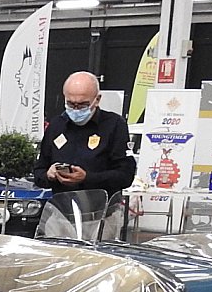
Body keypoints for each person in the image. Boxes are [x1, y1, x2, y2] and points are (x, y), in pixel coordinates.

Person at [34, 71, 136, 201]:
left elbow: (125, 176)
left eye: (82, 105)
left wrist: (87, 178)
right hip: (62, 207)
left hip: (102, 207)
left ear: (97, 99)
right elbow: (39, 171)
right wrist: (49, 175)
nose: (76, 109)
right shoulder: (56, 126)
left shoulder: (114, 125)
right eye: (71, 104)